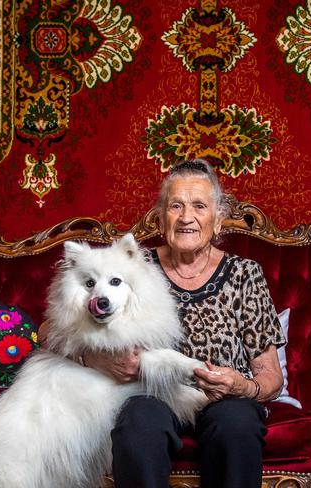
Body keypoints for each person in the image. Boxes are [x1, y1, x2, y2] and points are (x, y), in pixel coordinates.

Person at [83, 158, 285, 488]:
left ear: (218, 220)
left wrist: (242, 386)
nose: (187, 217)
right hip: (150, 394)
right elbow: (52, 330)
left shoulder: (245, 274)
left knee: (237, 424)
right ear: (161, 219)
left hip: (222, 398)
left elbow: (270, 377)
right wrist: (95, 358)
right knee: (137, 421)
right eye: (176, 206)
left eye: (199, 206)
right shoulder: (133, 267)